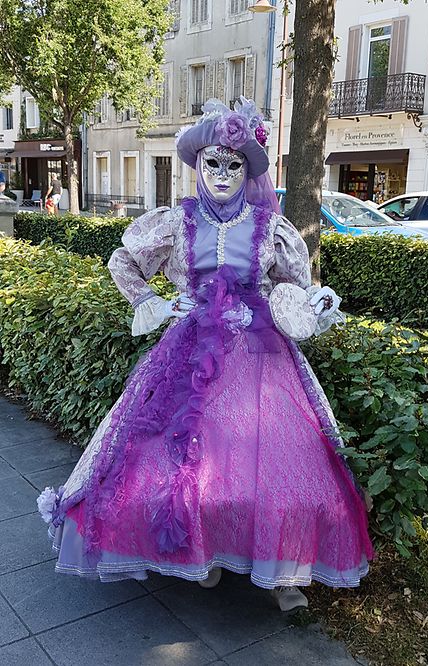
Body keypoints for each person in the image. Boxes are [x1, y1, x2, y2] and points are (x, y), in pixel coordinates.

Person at [37, 98, 373, 612]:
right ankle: (202, 553)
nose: (221, 174)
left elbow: (294, 289)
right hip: (190, 354)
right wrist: (150, 302)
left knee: (276, 469)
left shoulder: (270, 227)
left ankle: (284, 571)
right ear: (197, 164)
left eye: (233, 165)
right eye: (212, 162)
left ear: (248, 171)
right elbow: (124, 261)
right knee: (188, 466)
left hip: (262, 355)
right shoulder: (176, 223)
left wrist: (315, 305)